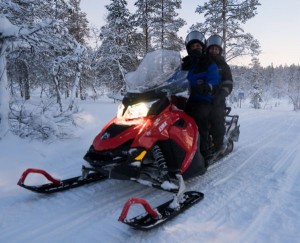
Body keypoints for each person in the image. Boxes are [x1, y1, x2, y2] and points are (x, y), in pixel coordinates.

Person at [182, 30, 221, 162]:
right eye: (192, 46)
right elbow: (173, 77)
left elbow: (214, 80)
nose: (195, 48)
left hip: (203, 100)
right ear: (188, 48)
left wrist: (206, 87)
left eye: (198, 46)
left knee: (198, 116)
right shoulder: (184, 64)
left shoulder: (208, 63)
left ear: (203, 47)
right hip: (184, 99)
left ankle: (204, 151)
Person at [206, 34, 233, 155]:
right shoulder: (203, 62)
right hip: (202, 97)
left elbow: (228, 83)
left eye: (216, 49)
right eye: (212, 48)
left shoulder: (223, 65)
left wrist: (221, 95)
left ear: (219, 50)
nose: (214, 51)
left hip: (217, 98)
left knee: (217, 117)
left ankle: (219, 144)